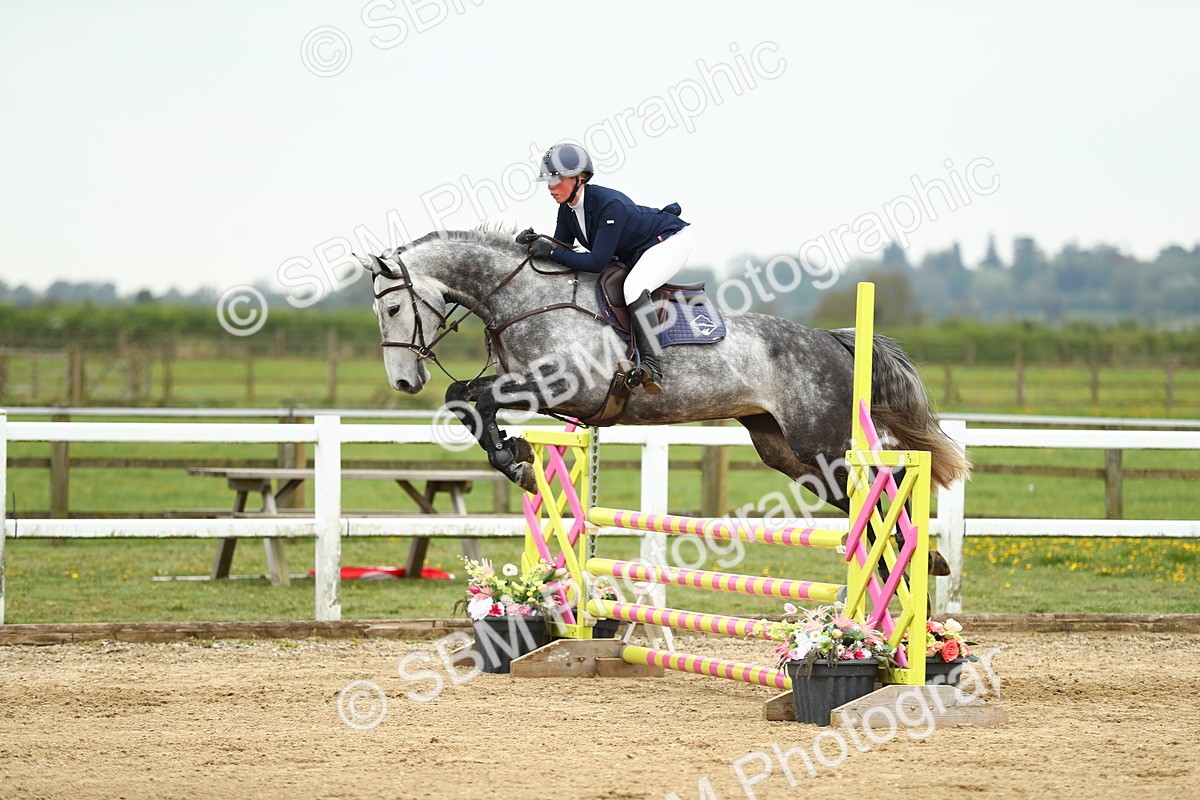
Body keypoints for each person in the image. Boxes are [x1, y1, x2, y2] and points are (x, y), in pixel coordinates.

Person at [515, 142, 693, 395]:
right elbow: (562, 249)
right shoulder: (567, 209)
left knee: (634, 287)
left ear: (580, 178)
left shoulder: (610, 205)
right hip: (635, 250)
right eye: (548, 181)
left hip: (669, 241)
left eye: (556, 180)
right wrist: (534, 245)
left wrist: (552, 251)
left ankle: (652, 365)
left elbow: (596, 262)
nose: (550, 187)